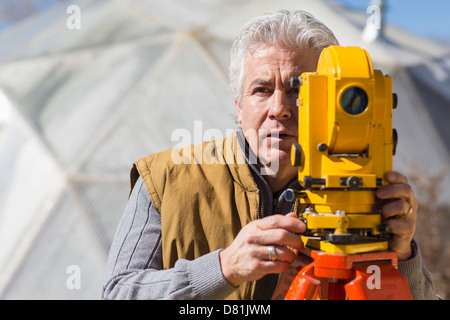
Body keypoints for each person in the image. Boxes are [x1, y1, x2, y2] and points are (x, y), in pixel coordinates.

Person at [101, 10, 437, 300]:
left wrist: (402, 253)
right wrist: (224, 267)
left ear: (330, 104)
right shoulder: (165, 179)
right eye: (261, 90)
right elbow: (118, 292)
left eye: (298, 90)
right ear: (239, 106)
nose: (279, 109)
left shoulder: (362, 193)